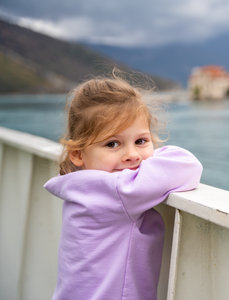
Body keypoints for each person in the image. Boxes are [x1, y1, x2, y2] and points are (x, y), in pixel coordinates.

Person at [44, 75, 202, 300]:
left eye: (141, 141)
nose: (132, 156)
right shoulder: (118, 191)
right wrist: (149, 155)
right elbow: (187, 165)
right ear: (78, 154)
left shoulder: (83, 189)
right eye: (112, 144)